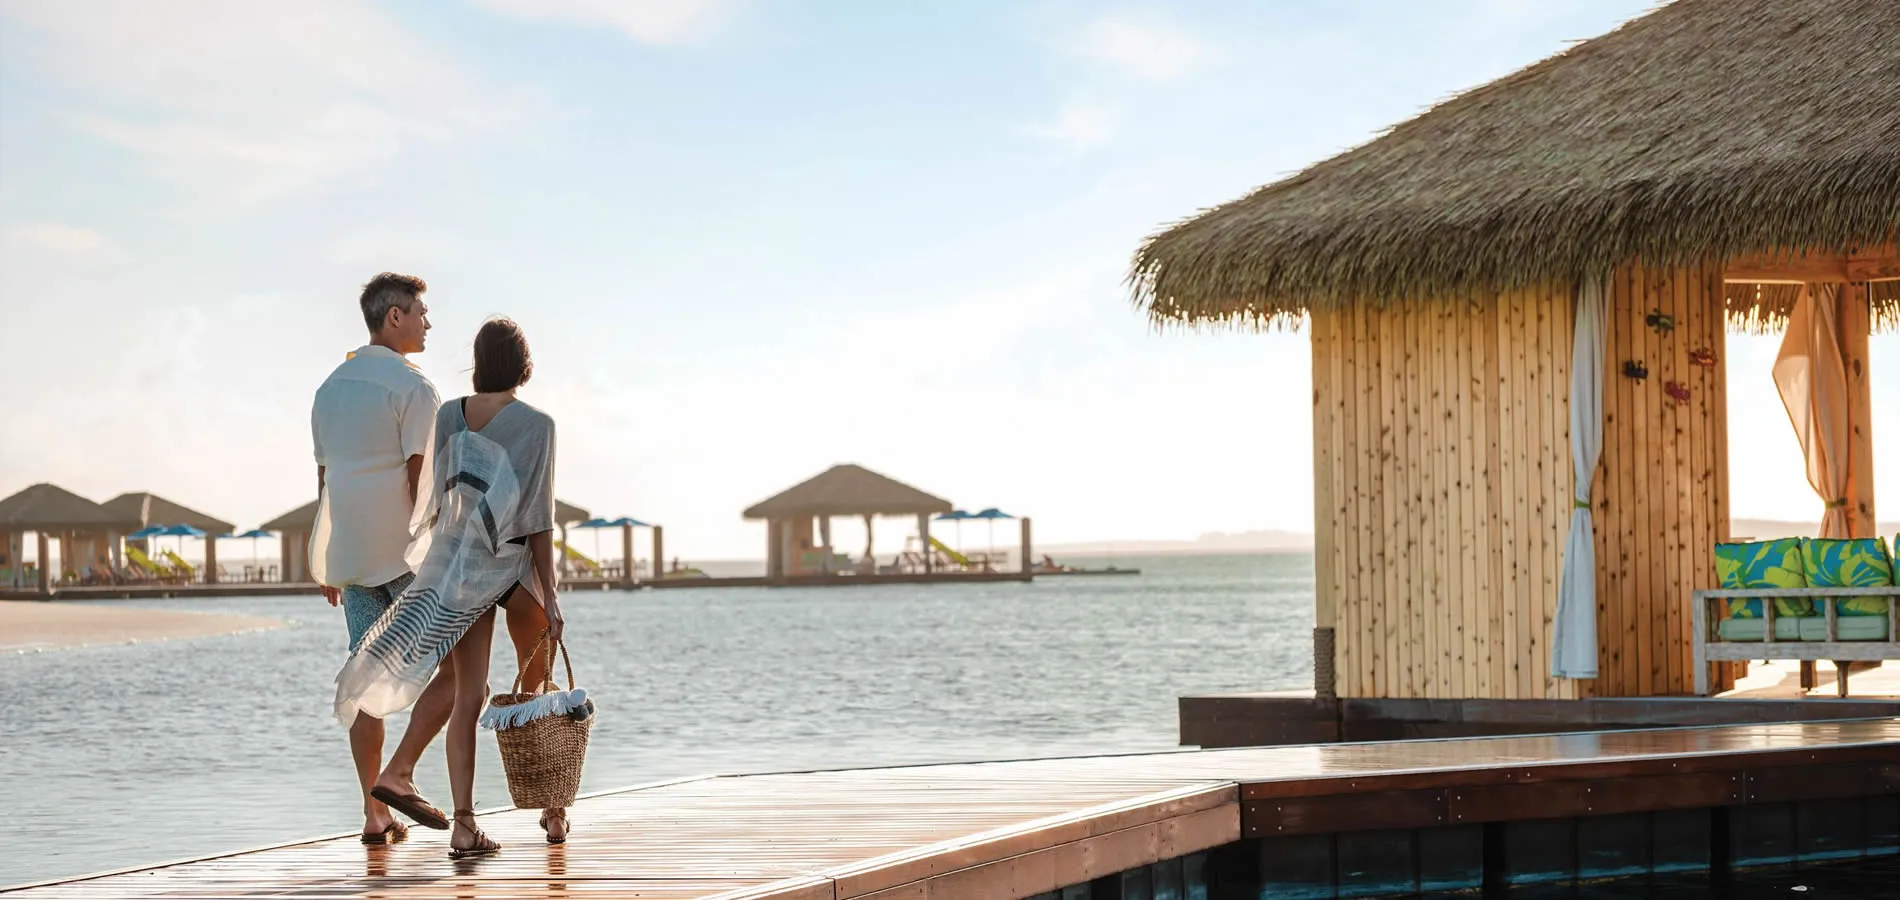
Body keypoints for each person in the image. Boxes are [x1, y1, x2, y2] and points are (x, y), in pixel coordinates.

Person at [336, 317, 566, 859]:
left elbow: (439, 499)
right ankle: (553, 812)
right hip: (512, 566)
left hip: (461, 569)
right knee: (539, 685)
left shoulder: (449, 414)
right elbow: (537, 518)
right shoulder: (538, 424)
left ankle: (464, 825)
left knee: (469, 695)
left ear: (478, 362)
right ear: (524, 364)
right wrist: (551, 596)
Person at [310, 272, 455, 845]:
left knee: (364, 673)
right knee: (459, 670)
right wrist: (441, 551)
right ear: (392, 316)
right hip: (407, 556)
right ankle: (400, 775)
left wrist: (325, 559)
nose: (427, 321)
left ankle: (373, 814)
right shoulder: (414, 388)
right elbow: (424, 479)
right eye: (421, 311)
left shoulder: (329, 388)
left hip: (350, 554)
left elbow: (326, 481)